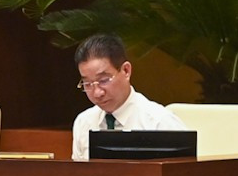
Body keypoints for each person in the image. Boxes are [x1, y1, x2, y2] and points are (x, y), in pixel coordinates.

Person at [70, 33, 186, 161]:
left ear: (126, 70)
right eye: (88, 83)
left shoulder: (160, 123)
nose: (97, 93)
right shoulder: (84, 122)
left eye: (104, 80)